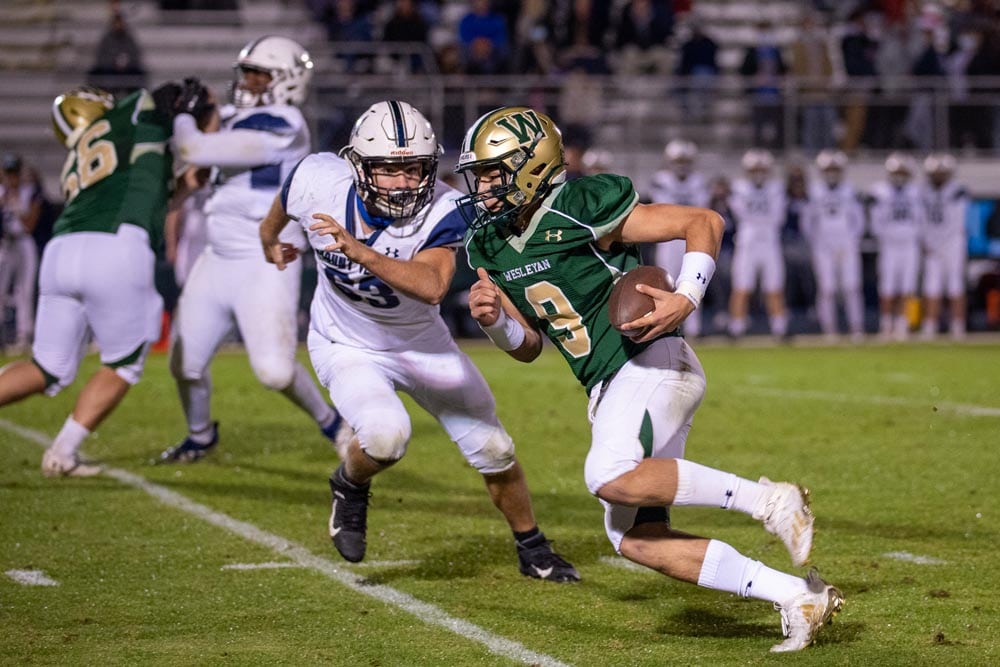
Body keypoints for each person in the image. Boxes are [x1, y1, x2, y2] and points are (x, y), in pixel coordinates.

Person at [456, 106, 843, 653]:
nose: (485, 186)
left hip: (650, 362)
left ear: (531, 165)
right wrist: (495, 323)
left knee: (608, 472)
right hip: (608, 386)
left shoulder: (580, 204)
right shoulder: (488, 245)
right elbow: (529, 347)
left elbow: (702, 222)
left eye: (495, 171)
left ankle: (770, 501)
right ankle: (797, 596)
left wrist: (687, 295)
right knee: (635, 538)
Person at [258, 100, 579, 582]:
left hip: (422, 345)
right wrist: (269, 239)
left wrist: (358, 250)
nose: (404, 181)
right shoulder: (318, 180)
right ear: (359, 165)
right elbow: (285, 200)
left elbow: (431, 285)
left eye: (414, 168)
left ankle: (532, 546)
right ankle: (350, 483)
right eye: (389, 168)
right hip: (346, 344)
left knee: (494, 449)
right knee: (387, 437)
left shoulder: (445, 208)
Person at [159, 36, 350, 464]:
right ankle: (200, 435)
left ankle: (333, 422)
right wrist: (194, 107)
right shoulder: (232, 116)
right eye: (245, 73)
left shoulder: (284, 121)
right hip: (217, 253)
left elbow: (192, 147)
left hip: (265, 256)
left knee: (275, 370)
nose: (248, 82)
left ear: (286, 81)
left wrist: (189, 118)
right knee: (184, 363)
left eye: (260, 74)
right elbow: (195, 157)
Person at [0, 84, 178, 476]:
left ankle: (64, 450)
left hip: (62, 248)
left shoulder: (82, 156)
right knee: (124, 363)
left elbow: (153, 186)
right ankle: (63, 451)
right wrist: (167, 100)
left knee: (48, 365)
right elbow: (146, 100)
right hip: (115, 245)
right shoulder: (121, 120)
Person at [647, 139, 710, 337]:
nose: (682, 165)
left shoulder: (699, 180)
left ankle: (693, 329)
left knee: (692, 282)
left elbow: (701, 206)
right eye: (678, 160)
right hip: (667, 238)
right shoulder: (660, 179)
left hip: (690, 237)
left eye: (685, 160)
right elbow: (663, 207)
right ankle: (664, 327)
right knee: (666, 283)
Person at [802, 150, 866, 341]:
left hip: (846, 244)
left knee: (851, 287)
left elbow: (859, 220)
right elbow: (807, 221)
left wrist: (851, 240)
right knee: (827, 288)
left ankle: (857, 327)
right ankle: (829, 329)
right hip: (823, 246)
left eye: (835, 169)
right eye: (828, 169)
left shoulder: (849, 190)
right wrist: (817, 242)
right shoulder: (814, 191)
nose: (831, 173)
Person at [727, 149, 789, 339]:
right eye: (755, 169)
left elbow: (778, 216)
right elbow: (740, 212)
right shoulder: (739, 187)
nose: (758, 173)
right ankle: (736, 328)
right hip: (748, 242)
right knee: (742, 286)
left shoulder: (776, 187)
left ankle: (780, 328)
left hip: (769, 241)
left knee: (774, 285)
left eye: (762, 169)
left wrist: (757, 218)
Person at [870, 152, 924, 341]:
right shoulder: (880, 191)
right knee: (887, 288)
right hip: (889, 245)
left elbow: (921, 220)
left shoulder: (917, 192)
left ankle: (903, 325)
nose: (899, 175)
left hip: (909, 245)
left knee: (907, 288)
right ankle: (886, 325)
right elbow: (876, 220)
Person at [920, 153, 969, 340]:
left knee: (955, 285)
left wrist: (940, 242)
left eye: (941, 173)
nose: (938, 177)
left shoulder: (957, 192)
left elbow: (957, 222)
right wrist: (926, 241)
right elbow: (922, 221)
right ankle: (930, 325)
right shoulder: (924, 192)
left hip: (952, 243)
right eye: (935, 173)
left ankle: (958, 326)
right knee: (931, 286)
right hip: (933, 244)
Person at [0, 154, 43, 351]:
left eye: (14, 173)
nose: (12, 178)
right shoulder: (2, 192)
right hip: (5, 243)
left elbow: (29, 225)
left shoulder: (29, 192)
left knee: (24, 290)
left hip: (24, 242)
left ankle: (23, 335)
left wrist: (15, 204)